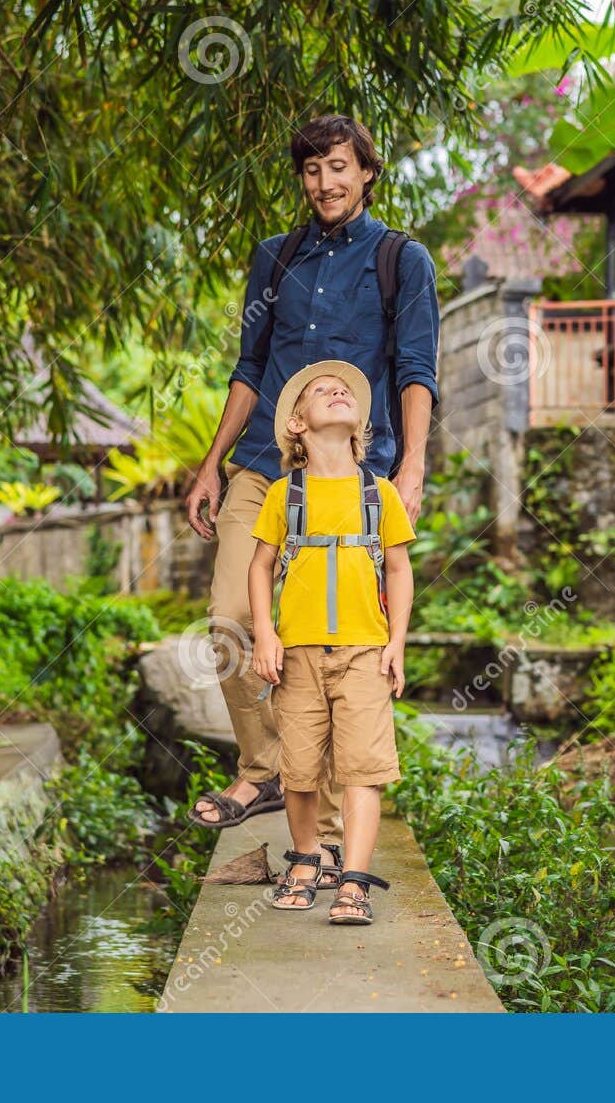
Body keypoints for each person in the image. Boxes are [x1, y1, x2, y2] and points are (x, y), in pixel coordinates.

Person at [182, 113, 439, 882]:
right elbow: (250, 365)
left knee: (329, 644)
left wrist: (413, 467)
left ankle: (315, 829)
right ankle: (264, 769)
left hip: (353, 480)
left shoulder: (402, 260)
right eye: (311, 170)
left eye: (337, 167)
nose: (324, 182)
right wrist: (211, 461)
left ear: (365, 170)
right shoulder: (276, 257)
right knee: (231, 619)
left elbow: (416, 368)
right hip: (265, 465)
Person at [248, 362, 413, 924]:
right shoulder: (282, 493)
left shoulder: (380, 492)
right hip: (296, 653)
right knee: (298, 768)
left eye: (345, 391)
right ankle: (304, 861)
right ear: (298, 424)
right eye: (322, 391)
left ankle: (354, 882)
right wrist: (265, 632)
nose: (338, 390)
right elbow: (260, 565)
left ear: (359, 422)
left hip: (365, 651)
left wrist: (398, 643)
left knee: (363, 768)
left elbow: (398, 568)